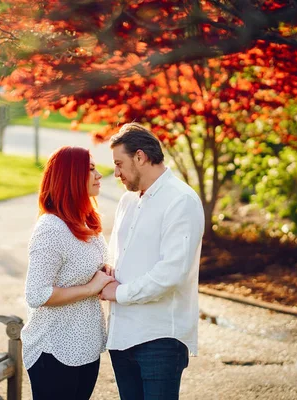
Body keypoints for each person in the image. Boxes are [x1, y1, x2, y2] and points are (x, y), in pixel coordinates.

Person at [100, 123, 205, 400]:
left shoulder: (181, 200)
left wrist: (118, 293)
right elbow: (116, 255)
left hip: (159, 339)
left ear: (140, 157)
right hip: (122, 336)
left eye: (119, 163)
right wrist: (107, 269)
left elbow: (172, 272)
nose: (116, 173)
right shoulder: (127, 201)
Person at [22, 145, 115, 400]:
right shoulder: (51, 228)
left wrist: (103, 271)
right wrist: (91, 287)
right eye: (91, 169)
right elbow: (36, 294)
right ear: (71, 176)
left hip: (86, 346)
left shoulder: (86, 220)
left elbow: (88, 269)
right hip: (54, 350)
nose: (99, 175)